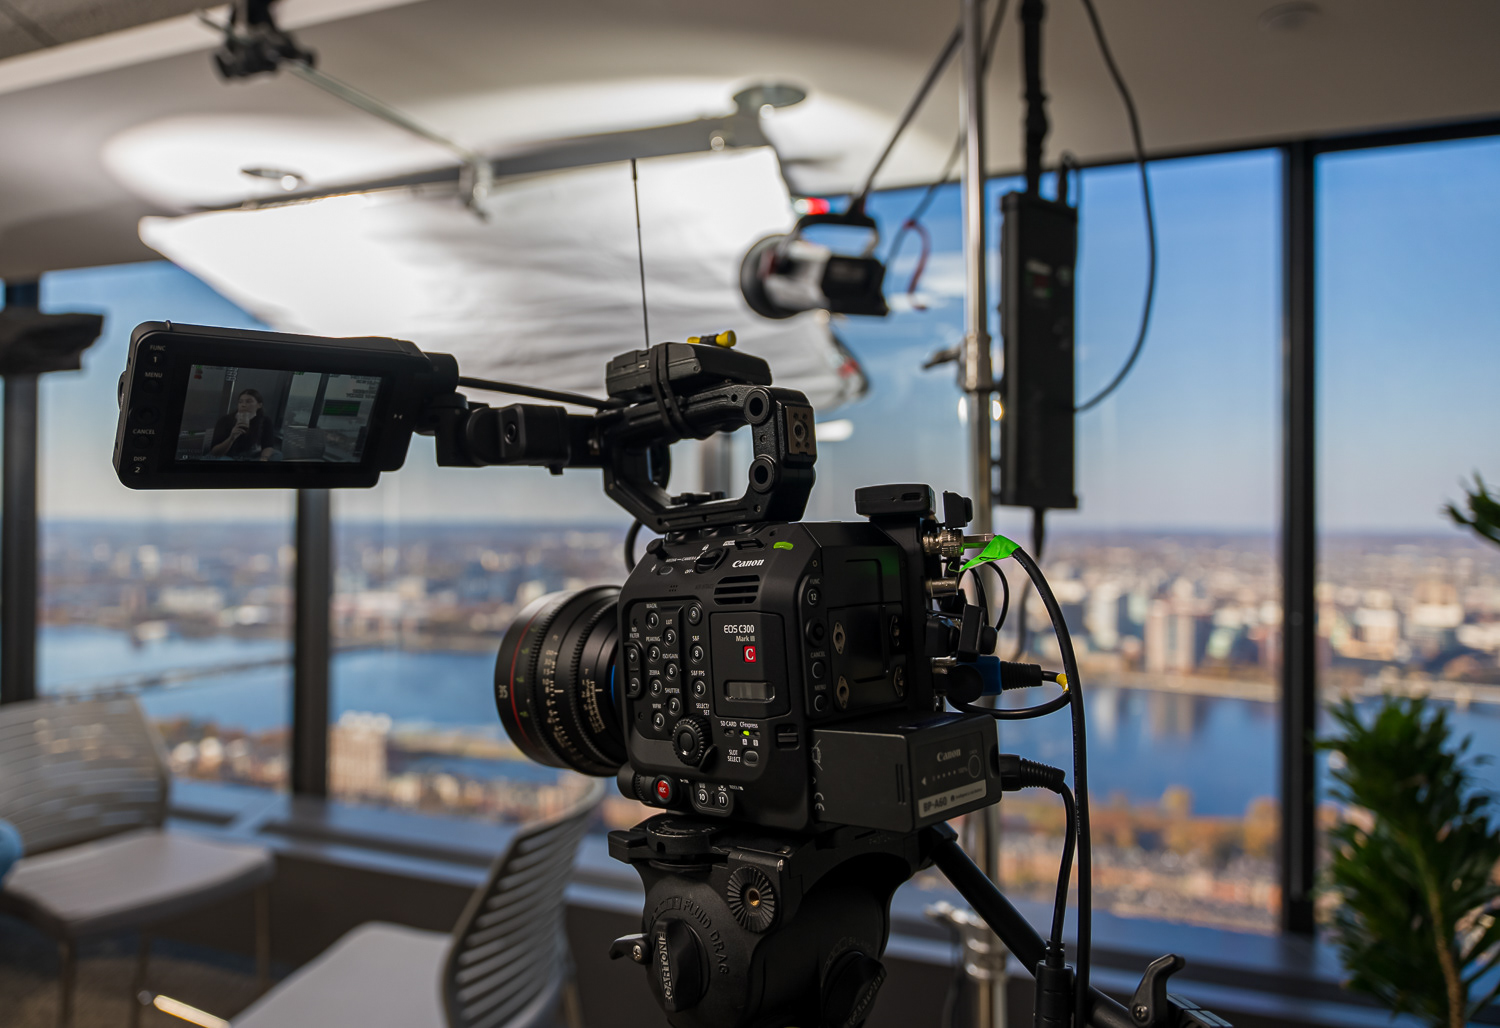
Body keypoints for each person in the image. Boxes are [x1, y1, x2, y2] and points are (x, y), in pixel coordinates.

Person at [209, 388, 279, 460]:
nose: (243, 405)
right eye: (240, 402)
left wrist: (264, 458)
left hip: (252, 456)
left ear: (259, 405)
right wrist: (231, 437)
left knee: (277, 454)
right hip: (229, 456)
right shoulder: (225, 420)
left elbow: (268, 445)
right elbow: (214, 452)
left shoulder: (265, 420)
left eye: (249, 402)